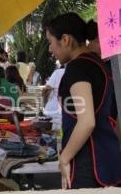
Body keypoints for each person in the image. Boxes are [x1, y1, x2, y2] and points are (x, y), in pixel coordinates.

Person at [46, 12, 121, 189]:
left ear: (65, 39)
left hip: (88, 162)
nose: (50, 49)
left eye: (50, 42)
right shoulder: (99, 64)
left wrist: (65, 157)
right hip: (109, 157)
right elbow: (112, 116)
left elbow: (87, 122)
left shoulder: (77, 67)